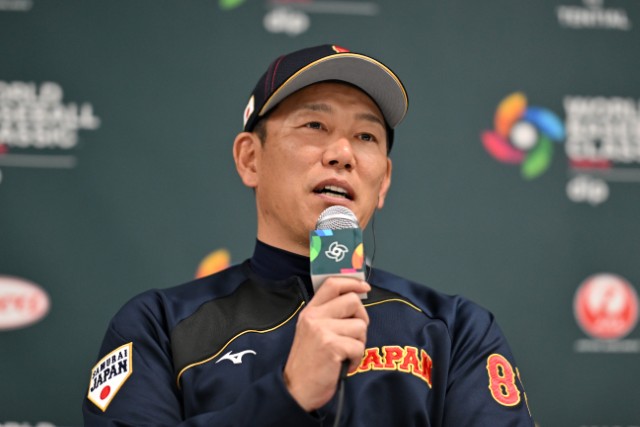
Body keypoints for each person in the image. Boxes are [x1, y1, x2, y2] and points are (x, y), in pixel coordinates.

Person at [82, 44, 534, 426]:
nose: (342, 153)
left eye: (366, 136)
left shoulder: (455, 330)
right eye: (315, 125)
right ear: (250, 159)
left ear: (384, 181)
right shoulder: (159, 326)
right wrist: (289, 393)